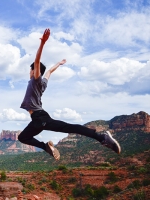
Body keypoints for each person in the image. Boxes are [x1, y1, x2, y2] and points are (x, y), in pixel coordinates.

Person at [18, 28, 121, 160]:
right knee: (26, 136)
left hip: (40, 118)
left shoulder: (36, 80)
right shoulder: (42, 82)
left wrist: (42, 43)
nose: (30, 72)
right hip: (39, 118)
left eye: (31, 70)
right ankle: (100, 138)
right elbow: (49, 71)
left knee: (27, 136)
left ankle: (101, 138)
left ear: (34, 71)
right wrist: (59, 64)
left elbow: (37, 62)